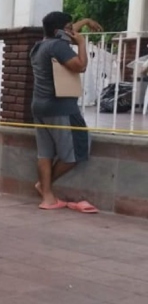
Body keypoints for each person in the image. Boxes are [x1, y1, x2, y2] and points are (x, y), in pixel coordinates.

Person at [31, 11, 102, 213]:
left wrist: (87, 21)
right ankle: (44, 187)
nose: (73, 31)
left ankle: (47, 198)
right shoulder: (58, 47)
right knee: (75, 151)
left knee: (44, 154)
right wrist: (81, 44)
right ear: (58, 31)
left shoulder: (39, 46)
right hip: (61, 108)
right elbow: (80, 66)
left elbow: (66, 32)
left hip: (39, 107)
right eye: (69, 27)